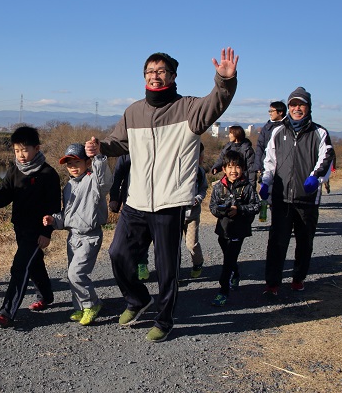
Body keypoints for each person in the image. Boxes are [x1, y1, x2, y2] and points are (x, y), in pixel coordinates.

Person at [85, 48, 238, 342]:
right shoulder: (134, 111)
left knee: (167, 267)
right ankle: (137, 299)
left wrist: (224, 80)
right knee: (118, 253)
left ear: (173, 76)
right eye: (149, 71)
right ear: (144, 76)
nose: (155, 76)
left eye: (161, 71)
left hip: (171, 200)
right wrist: (99, 147)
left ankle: (164, 320)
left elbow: (217, 102)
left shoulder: (189, 108)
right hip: (137, 200)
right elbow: (118, 143)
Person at [0, 126, 61, 328]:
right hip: (20, 227)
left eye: (25, 150)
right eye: (16, 150)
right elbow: (4, 192)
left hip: (36, 230)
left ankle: (7, 312)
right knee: (34, 263)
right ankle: (46, 295)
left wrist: (46, 233)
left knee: (20, 266)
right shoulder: (15, 170)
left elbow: (54, 207)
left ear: (36, 148)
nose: (21, 155)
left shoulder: (48, 173)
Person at [259, 87, 335, 297]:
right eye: (293, 105)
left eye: (301, 104)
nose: (296, 108)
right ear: (289, 107)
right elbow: (270, 161)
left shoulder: (319, 133)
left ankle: (298, 278)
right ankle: (272, 283)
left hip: (307, 199)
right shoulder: (278, 131)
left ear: (308, 107)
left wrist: (316, 178)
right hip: (281, 198)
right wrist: (266, 182)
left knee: (304, 241)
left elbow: (326, 160)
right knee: (277, 242)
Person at [43, 143, 112, 326]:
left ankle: (92, 304)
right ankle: (80, 307)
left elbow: (104, 181)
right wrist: (54, 220)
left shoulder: (93, 181)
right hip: (73, 236)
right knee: (71, 273)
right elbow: (67, 215)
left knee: (76, 273)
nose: (73, 167)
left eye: (77, 162)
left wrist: (97, 157)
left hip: (90, 236)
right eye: (69, 163)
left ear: (87, 163)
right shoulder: (68, 186)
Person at [209, 150, 259, 306]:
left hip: (239, 230)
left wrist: (240, 209)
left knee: (228, 260)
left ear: (242, 168)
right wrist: (220, 210)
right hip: (223, 230)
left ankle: (223, 290)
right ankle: (236, 273)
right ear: (224, 169)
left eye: (237, 167)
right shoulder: (219, 187)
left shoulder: (247, 187)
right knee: (229, 257)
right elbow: (212, 206)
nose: (233, 171)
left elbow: (256, 206)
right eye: (230, 167)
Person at [108, 154, 151, 280]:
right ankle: (137, 265)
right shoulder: (126, 154)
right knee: (132, 238)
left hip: (155, 202)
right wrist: (114, 199)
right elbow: (117, 178)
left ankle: (146, 265)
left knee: (148, 237)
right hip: (131, 203)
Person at [184, 143, 209, 278]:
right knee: (172, 247)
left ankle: (197, 263)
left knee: (191, 244)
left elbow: (203, 188)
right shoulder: (178, 169)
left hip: (192, 214)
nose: (201, 158)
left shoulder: (200, 172)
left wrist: (198, 198)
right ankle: (173, 270)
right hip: (176, 214)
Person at [254, 101, 287, 178]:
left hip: (282, 167)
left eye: (272, 111)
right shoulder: (267, 127)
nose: (270, 113)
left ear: (280, 112)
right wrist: (258, 164)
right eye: (269, 111)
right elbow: (260, 146)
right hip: (266, 166)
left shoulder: (287, 127)